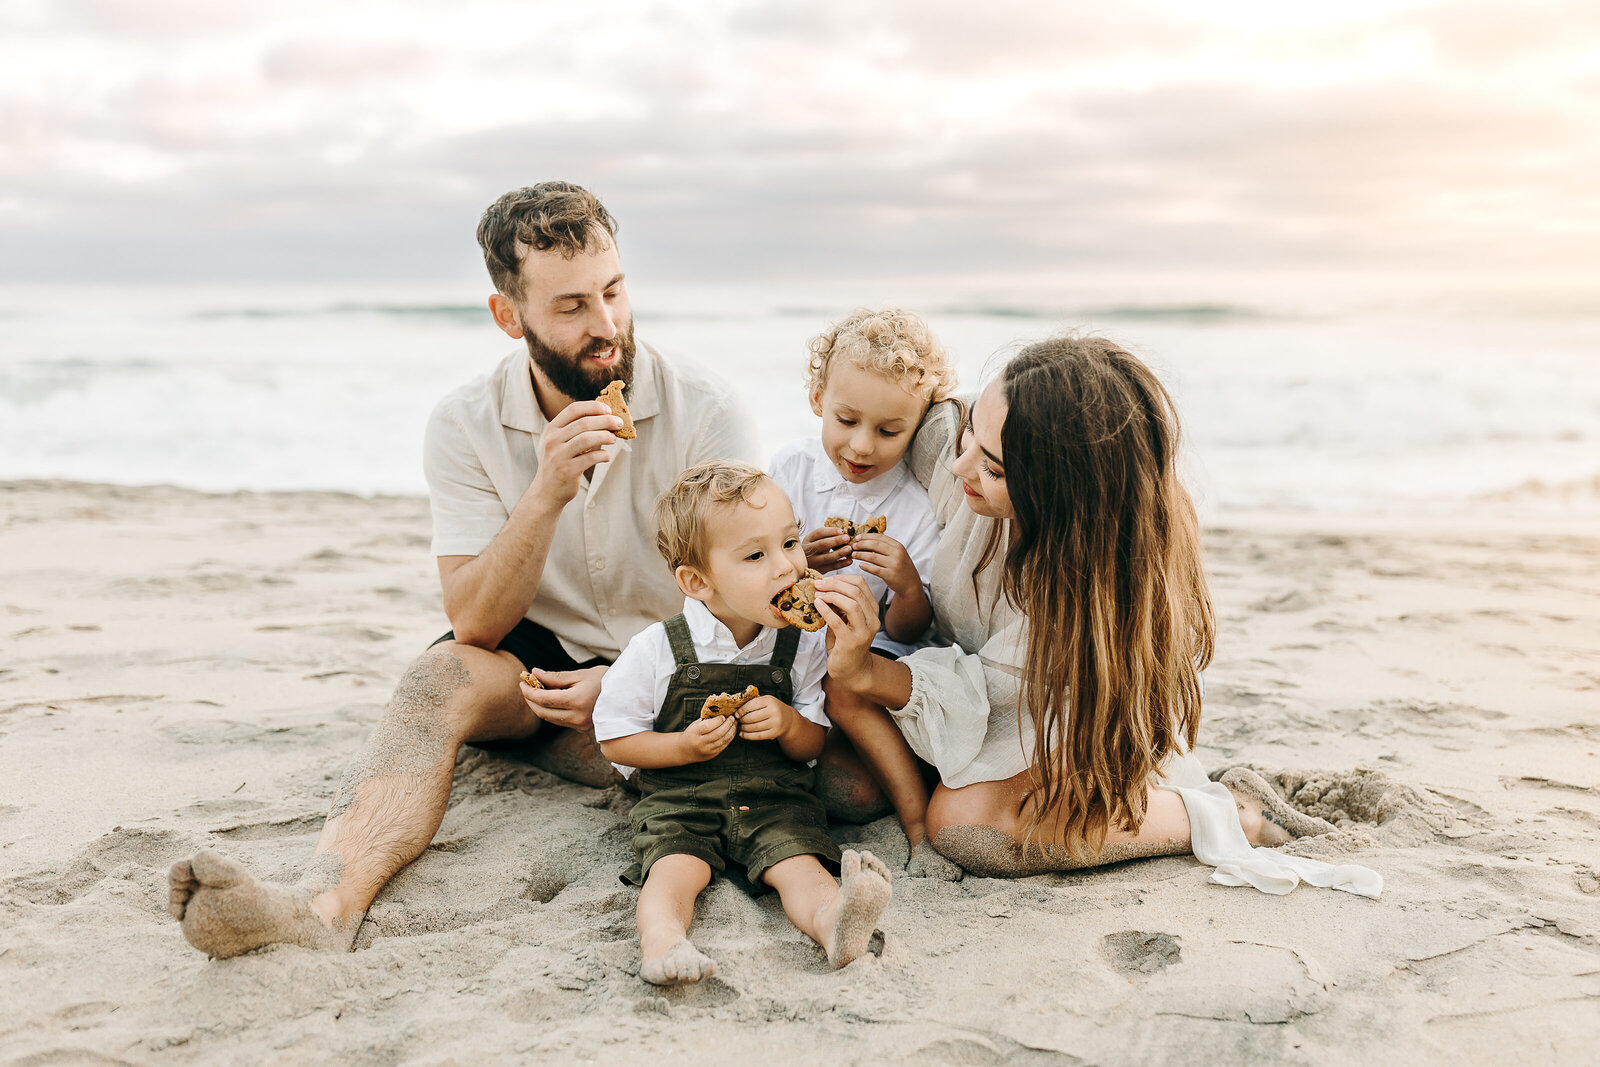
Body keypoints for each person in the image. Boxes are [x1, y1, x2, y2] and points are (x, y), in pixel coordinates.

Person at [167, 182, 762, 958]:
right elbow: (476, 621)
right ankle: (324, 907)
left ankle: (606, 744)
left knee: (831, 779)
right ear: (508, 316)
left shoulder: (710, 410)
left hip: (682, 663)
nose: (607, 325)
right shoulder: (462, 423)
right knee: (434, 678)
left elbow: (749, 608)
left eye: (614, 291)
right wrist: (546, 491)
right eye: (572, 305)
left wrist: (628, 680)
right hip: (538, 671)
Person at [814, 336, 1382, 897]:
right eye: (969, 435)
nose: (959, 465)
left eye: (993, 468)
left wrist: (865, 674)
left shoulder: (1083, 587)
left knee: (967, 826)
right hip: (968, 686)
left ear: (1060, 494)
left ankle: (1222, 813)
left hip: (1060, 710)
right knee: (846, 786)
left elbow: (986, 698)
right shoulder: (964, 443)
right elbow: (884, 396)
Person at [593, 462, 892, 984]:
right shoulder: (657, 649)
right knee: (672, 871)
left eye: (791, 542)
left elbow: (812, 746)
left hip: (774, 796)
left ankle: (833, 922)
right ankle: (663, 940)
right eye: (756, 555)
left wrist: (786, 723)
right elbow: (615, 741)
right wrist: (682, 747)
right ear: (697, 581)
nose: (787, 567)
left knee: (800, 863)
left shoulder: (799, 646)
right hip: (681, 800)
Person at [768, 307, 955, 659]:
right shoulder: (790, 469)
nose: (863, 446)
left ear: (918, 426)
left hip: (872, 649)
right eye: (847, 420)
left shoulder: (917, 509)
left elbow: (906, 631)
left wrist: (908, 586)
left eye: (888, 431)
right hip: (785, 639)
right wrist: (799, 562)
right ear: (818, 399)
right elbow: (752, 570)